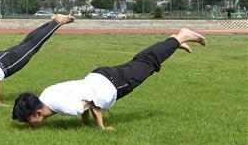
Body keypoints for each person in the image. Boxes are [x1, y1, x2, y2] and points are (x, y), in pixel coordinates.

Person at [11, 28, 207, 130]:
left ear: (38, 113)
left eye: (28, 122)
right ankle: (173, 42)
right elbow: (80, 98)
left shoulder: (65, 108)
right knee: (140, 61)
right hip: (98, 75)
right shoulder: (46, 94)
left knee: (148, 64)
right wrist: (84, 123)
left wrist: (101, 127)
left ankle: (181, 36)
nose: (29, 125)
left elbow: (92, 105)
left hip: (111, 84)